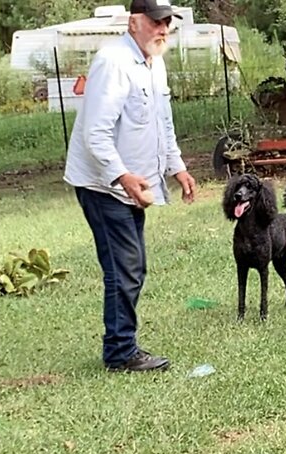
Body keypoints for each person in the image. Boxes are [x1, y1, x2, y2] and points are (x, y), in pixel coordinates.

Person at [64, 0, 197, 373]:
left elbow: (162, 123)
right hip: (104, 186)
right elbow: (96, 133)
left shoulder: (155, 64)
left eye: (167, 21)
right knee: (125, 266)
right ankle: (120, 352)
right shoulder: (113, 62)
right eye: (156, 21)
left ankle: (121, 346)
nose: (163, 28)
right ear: (134, 22)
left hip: (132, 186)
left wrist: (178, 168)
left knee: (131, 266)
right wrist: (123, 177)